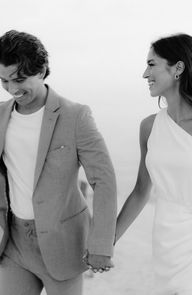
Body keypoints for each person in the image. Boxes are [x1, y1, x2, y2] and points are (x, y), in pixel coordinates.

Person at [115, 33, 192, 295]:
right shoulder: (149, 127)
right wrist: (107, 241)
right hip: (165, 244)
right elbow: (140, 192)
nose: (144, 74)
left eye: (151, 64)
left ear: (178, 67)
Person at [0, 30, 117, 295]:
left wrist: (101, 244)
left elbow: (104, 180)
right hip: (13, 244)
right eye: (4, 81)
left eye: (19, 79)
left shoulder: (76, 116)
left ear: (41, 71)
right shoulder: (0, 115)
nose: (12, 89)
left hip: (64, 246)